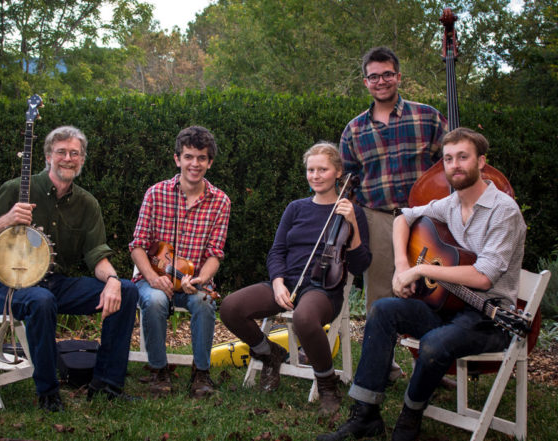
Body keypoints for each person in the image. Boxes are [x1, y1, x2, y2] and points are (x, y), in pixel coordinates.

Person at [317, 127, 526, 441]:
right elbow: (402, 215)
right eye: (448, 159)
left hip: (487, 318)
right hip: (447, 306)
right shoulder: (451, 203)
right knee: (383, 309)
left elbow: (483, 276)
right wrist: (403, 265)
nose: (454, 165)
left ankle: (409, 419)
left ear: (482, 162)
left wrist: (422, 271)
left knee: (434, 345)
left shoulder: (503, 211)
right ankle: (365, 414)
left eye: (463, 157)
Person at [0, 126, 139, 412]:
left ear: (82, 160)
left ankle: (107, 385)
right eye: (61, 152)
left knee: (128, 290)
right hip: (12, 288)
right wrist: (8, 219)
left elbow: (97, 255)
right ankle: (48, 392)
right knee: (41, 300)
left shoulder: (87, 204)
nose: (68, 158)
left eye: (75, 153)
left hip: (56, 283)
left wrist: (112, 280)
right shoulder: (16, 189)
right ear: (48, 156)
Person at [220, 142, 371, 415]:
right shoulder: (296, 208)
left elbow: (361, 264)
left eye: (322, 169)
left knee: (304, 317)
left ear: (338, 172)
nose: (315, 175)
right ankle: (269, 354)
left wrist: (354, 226)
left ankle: (327, 385)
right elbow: (277, 251)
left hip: (324, 288)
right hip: (288, 282)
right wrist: (277, 281)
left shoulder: (351, 211)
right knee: (231, 307)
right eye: (310, 170)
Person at [341, 46, 448, 381]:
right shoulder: (354, 130)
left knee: (433, 293)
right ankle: (383, 364)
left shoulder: (427, 116)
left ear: (399, 77)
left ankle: (432, 362)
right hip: (379, 217)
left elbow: (452, 163)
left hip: (427, 220)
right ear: (365, 82)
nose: (381, 81)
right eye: (374, 76)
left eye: (388, 74)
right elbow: (348, 178)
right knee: (380, 292)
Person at [129, 125, 231, 398]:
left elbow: (214, 253)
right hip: (154, 276)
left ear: (209, 162)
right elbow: (137, 246)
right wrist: (152, 277)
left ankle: (201, 373)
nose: (194, 164)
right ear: (177, 159)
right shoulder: (155, 194)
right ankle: (158, 371)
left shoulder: (220, 202)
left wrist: (200, 279)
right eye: (188, 157)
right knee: (155, 300)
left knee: (205, 301)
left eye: (201, 158)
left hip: (192, 280)